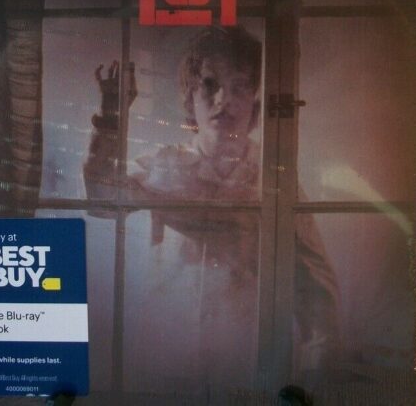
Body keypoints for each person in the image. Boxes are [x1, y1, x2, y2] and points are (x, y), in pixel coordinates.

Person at [83, 26, 340, 393]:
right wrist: (111, 116)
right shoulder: (162, 164)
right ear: (190, 96)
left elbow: (316, 293)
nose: (224, 99)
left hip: (247, 371)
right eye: (209, 84)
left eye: (240, 86)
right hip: (165, 369)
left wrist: (316, 383)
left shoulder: (275, 180)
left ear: (255, 98)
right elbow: (101, 200)